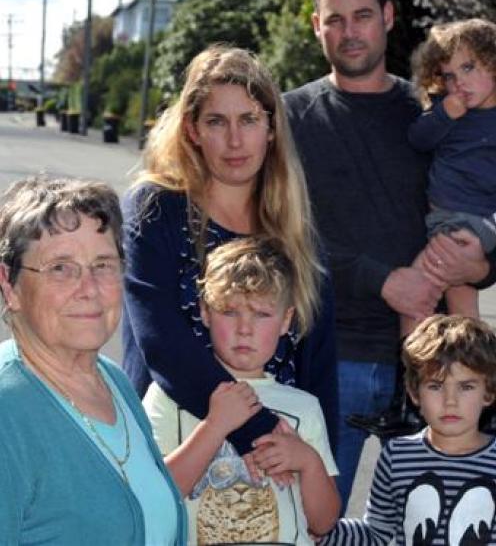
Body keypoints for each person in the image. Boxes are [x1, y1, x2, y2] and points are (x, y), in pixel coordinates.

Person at [283, 0, 495, 511]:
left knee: (433, 523)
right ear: (316, 25)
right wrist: (382, 281)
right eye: (335, 19)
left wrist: (482, 266)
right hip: (330, 358)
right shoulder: (289, 118)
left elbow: (479, 202)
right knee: (314, 523)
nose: (350, 32)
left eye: (362, 16)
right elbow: (279, 235)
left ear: (389, 16)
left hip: (434, 371)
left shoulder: (435, 113)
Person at [121, 44, 338, 462]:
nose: (235, 140)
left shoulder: (296, 232)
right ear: (192, 130)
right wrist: (264, 436)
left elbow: (319, 369)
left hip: (281, 466)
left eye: (250, 120)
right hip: (174, 454)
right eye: (217, 121)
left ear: (271, 128)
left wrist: (317, 466)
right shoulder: (155, 209)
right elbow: (162, 344)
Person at [0, 176, 187, 545]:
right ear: (9, 286)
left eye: (103, 265)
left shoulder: (112, 381)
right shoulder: (7, 412)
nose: (88, 289)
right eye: (60, 268)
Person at [143, 237, 340, 544]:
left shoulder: (305, 407)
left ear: (286, 319)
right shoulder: (168, 395)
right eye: (230, 312)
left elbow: (324, 522)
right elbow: (153, 498)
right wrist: (215, 425)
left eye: (261, 314)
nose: (245, 328)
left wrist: (309, 462)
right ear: (205, 312)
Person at [321, 314, 496, 544]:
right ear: (414, 393)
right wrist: (320, 531)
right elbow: (377, 534)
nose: (450, 400)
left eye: (466, 386)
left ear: (489, 392)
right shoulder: (397, 455)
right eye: (435, 386)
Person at [402, 19, 496, 335]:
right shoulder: (449, 109)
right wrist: (444, 114)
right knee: (459, 306)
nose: (460, 83)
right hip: (443, 219)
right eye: (450, 76)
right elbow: (418, 139)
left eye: (469, 68)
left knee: (417, 297)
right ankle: (469, 371)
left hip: (471, 221)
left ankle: (415, 371)